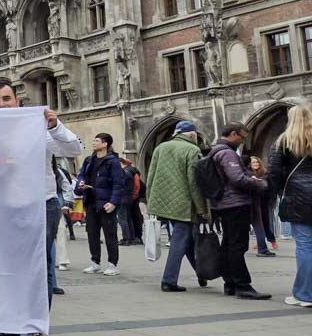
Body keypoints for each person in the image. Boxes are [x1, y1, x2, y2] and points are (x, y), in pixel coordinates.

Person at [0, 79, 83, 336]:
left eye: (6, 99)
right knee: (6, 266)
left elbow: (73, 149)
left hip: (41, 203)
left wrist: (54, 125)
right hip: (4, 207)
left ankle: (36, 328)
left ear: (17, 100)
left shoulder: (38, 128)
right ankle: (10, 325)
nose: (2, 105)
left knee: (40, 267)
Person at [209, 123, 271, 300]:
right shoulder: (227, 152)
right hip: (235, 204)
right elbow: (237, 179)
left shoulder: (216, 150)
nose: (243, 141)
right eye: (242, 137)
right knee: (238, 245)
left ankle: (230, 283)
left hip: (223, 203)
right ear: (233, 134)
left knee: (228, 244)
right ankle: (242, 285)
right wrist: (258, 183)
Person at [146, 121, 209, 292]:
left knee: (186, 241)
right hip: (183, 205)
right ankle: (169, 280)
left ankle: (201, 273)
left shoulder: (161, 147)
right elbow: (194, 182)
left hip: (162, 203)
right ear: (192, 135)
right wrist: (202, 209)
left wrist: (150, 201)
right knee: (179, 241)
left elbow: (150, 175)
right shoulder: (192, 150)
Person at [268, 104, 312, 307]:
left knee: (304, 246)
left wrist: (277, 193)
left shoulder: (284, 141)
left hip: (298, 198)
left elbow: (274, 172)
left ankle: (304, 294)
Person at [76, 133, 126, 277]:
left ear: (105, 144)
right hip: (91, 201)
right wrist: (80, 183)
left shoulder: (112, 161)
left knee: (110, 234)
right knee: (92, 234)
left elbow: (119, 183)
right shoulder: (89, 160)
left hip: (105, 203)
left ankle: (112, 264)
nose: (93, 143)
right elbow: (82, 175)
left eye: (97, 141)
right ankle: (95, 262)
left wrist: (113, 202)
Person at [250, 156, 276, 257]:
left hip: (264, 201)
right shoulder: (249, 174)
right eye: (253, 162)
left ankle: (272, 240)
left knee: (265, 222)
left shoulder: (265, 173)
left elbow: (267, 186)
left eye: (257, 162)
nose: (255, 164)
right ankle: (261, 242)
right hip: (254, 202)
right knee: (258, 224)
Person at [116, 158, 138, 246]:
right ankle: (131, 237)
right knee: (128, 218)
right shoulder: (129, 173)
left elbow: (120, 186)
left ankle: (126, 238)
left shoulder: (123, 173)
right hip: (128, 198)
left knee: (122, 219)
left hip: (122, 198)